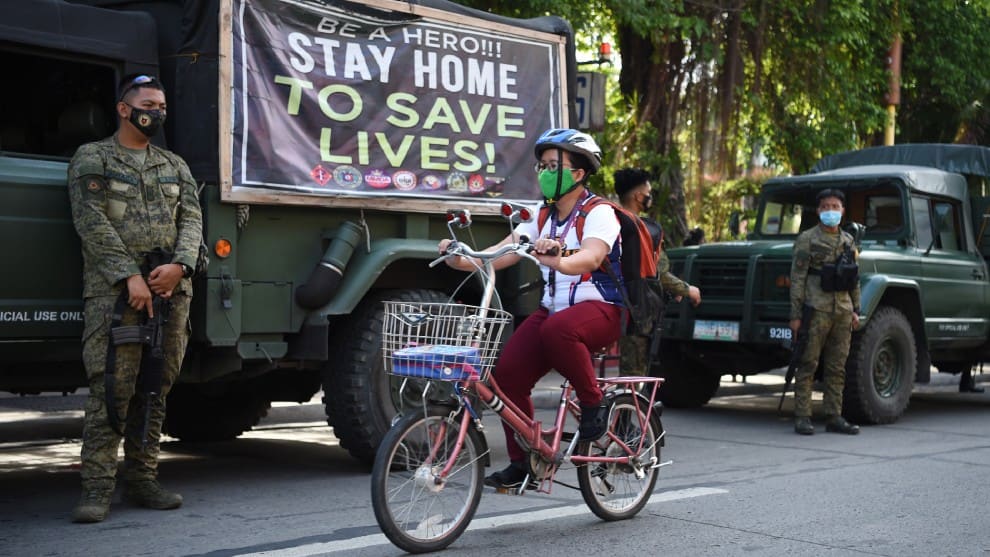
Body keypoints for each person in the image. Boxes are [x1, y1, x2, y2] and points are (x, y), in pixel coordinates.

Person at [439, 128, 622, 489]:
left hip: (602, 310)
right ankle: (526, 460)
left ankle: (593, 402)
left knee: (558, 330)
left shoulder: (599, 213)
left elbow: (590, 256)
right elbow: (502, 252)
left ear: (579, 172)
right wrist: (458, 256)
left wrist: (557, 258)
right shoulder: (540, 215)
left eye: (554, 165)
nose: (544, 172)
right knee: (505, 378)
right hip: (553, 313)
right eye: (542, 166)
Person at [67, 74, 203, 522]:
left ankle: (143, 480)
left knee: (154, 389)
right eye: (149, 104)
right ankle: (96, 489)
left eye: (162, 105)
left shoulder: (175, 165)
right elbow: (91, 223)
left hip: (170, 293)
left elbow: (193, 222)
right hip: (116, 295)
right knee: (112, 389)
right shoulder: (94, 157)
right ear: (124, 109)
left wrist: (180, 267)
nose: (157, 112)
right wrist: (131, 276)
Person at [613, 168, 701, 376]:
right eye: (648, 192)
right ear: (638, 196)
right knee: (632, 379)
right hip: (635, 312)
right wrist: (688, 290)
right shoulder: (644, 230)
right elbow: (659, 273)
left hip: (605, 306)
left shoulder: (608, 219)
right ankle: (624, 409)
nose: (650, 197)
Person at [789, 189, 860, 435]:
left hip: (842, 310)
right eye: (826, 207)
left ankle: (834, 416)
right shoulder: (807, 239)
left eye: (836, 206)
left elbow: (854, 278)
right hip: (815, 309)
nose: (831, 211)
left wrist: (855, 309)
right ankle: (802, 416)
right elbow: (797, 279)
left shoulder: (849, 241)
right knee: (808, 363)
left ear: (842, 210)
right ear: (819, 211)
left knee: (837, 366)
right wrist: (795, 316)